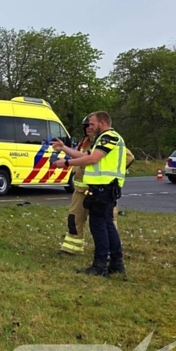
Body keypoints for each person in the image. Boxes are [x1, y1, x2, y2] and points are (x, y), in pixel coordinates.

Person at [51, 111, 128, 276]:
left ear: (102, 123)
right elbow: (85, 155)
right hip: (104, 189)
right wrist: (64, 148)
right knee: (107, 226)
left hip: (103, 189)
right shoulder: (104, 139)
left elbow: (92, 159)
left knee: (99, 226)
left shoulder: (109, 137)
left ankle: (99, 266)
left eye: (92, 124)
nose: (89, 127)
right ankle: (116, 264)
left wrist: (65, 163)